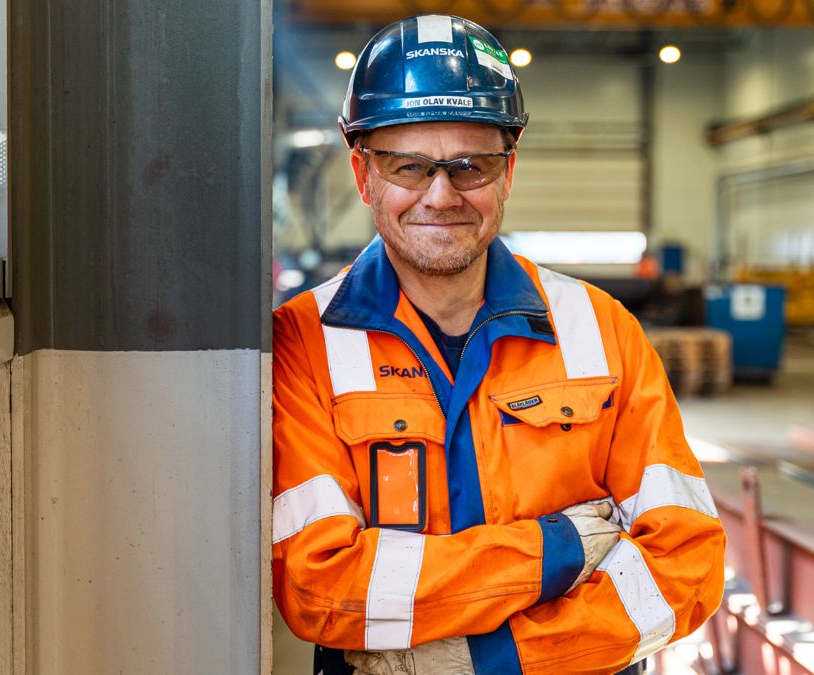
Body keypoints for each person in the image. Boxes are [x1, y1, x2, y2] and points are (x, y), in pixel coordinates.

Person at [272, 15, 725, 675]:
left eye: (470, 166)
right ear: (363, 174)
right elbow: (321, 587)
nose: (441, 194)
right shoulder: (304, 342)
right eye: (408, 166)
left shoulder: (601, 329)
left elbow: (686, 564)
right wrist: (561, 549)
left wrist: (496, 658)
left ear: (507, 172)